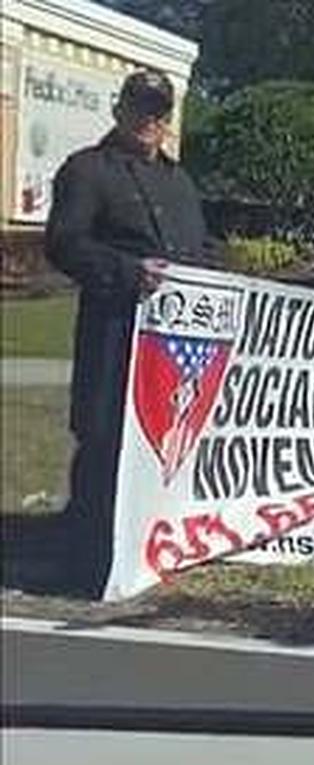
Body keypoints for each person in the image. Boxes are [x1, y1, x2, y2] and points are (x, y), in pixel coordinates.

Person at [45, 69, 218, 598]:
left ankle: (154, 551)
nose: (151, 120)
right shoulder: (87, 171)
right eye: (141, 108)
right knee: (104, 446)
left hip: (176, 351)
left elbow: (200, 251)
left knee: (167, 450)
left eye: (160, 111)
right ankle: (87, 564)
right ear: (120, 109)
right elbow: (64, 243)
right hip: (114, 336)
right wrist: (127, 273)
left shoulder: (180, 181)